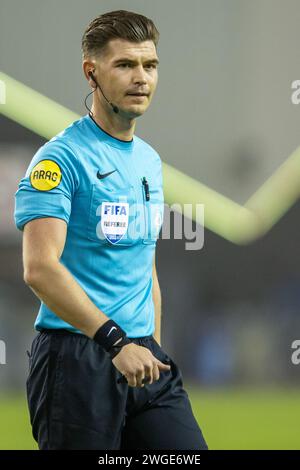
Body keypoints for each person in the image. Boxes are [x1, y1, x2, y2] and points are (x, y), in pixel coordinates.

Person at [14, 10, 208, 450]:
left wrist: (152, 346)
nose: (141, 77)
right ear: (92, 72)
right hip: (77, 358)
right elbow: (39, 269)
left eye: (150, 65)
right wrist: (115, 343)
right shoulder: (58, 160)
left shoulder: (149, 161)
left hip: (142, 356)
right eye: (125, 65)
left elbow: (145, 266)